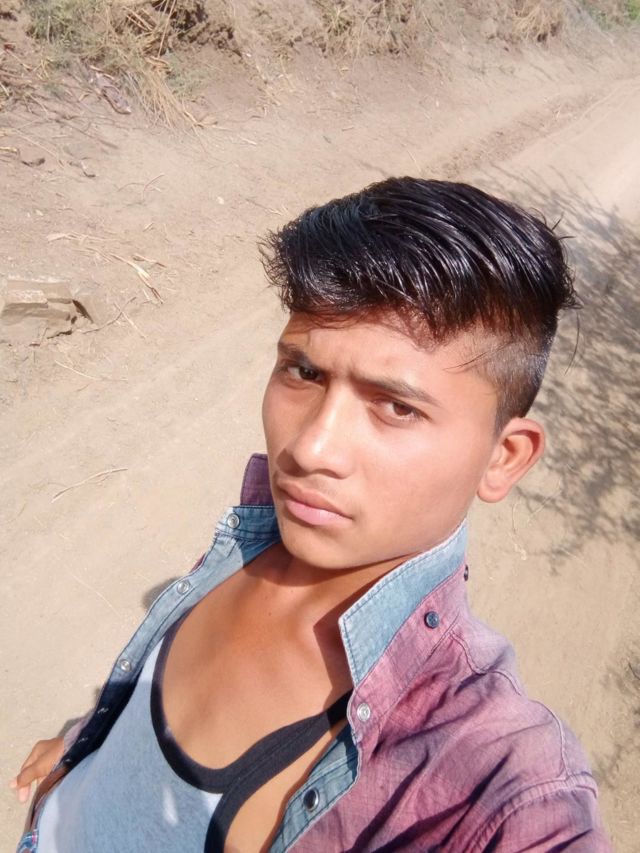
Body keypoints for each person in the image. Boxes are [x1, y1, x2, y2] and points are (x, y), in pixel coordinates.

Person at [12, 178, 610, 852]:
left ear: (504, 458)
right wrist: (87, 742)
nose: (309, 448)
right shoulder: (253, 538)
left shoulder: (495, 775)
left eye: (396, 406)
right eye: (303, 372)